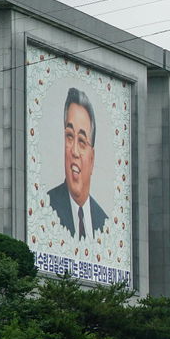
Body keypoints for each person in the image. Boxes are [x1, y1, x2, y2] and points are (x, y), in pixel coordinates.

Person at [47, 87, 107, 239]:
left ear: (92, 159)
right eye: (69, 136)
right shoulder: (46, 206)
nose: (74, 151)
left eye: (81, 141)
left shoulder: (104, 223)